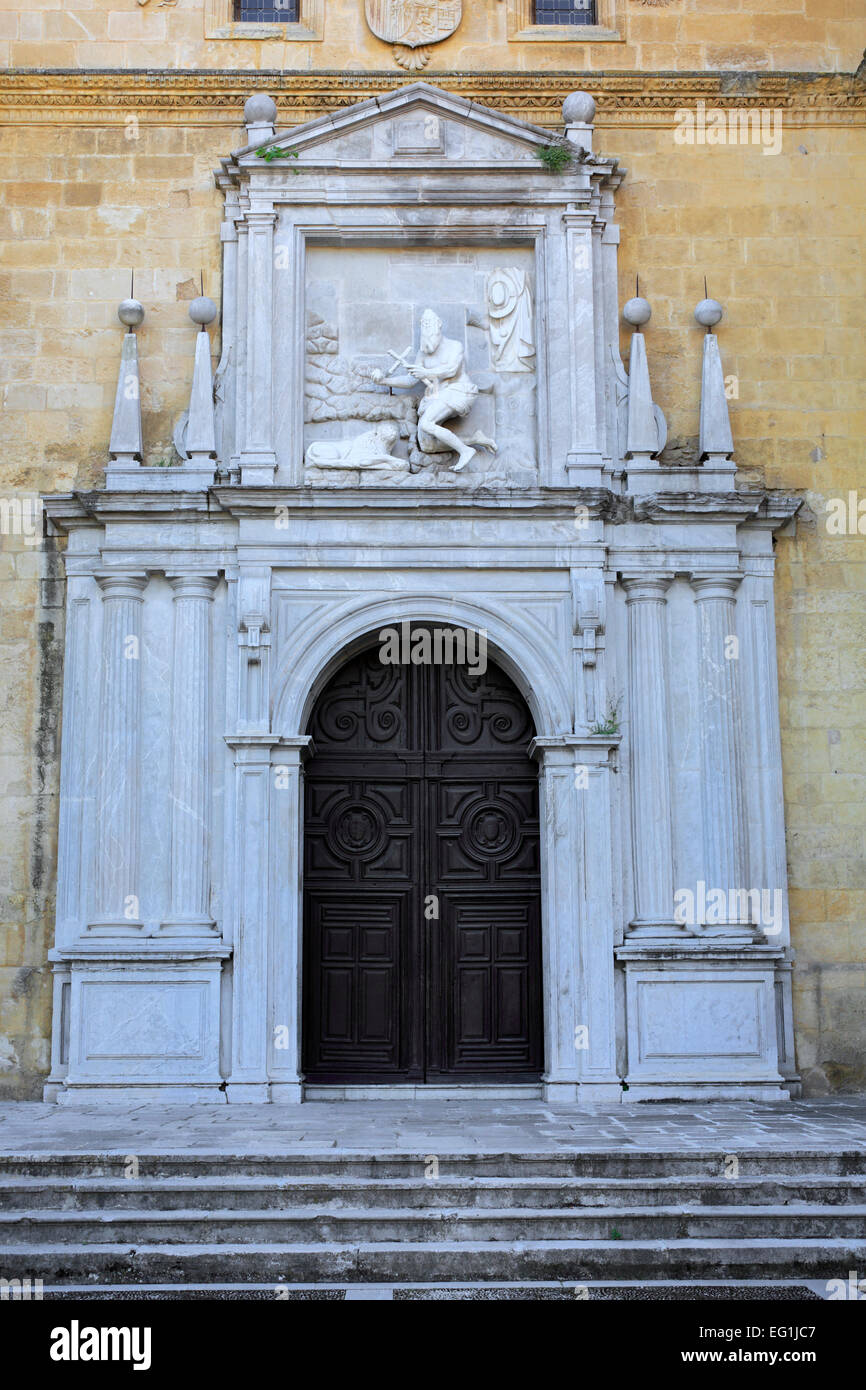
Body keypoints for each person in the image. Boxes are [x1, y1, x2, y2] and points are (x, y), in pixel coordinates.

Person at [371, 309, 496, 472]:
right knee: (427, 445)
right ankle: (474, 439)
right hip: (437, 396)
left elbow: (451, 370)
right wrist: (384, 380)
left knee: (426, 423)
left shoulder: (454, 346)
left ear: (439, 325)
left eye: (429, 325)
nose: (427, 330)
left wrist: (427, 373)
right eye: (424, 326)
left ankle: (465, 451)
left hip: (459, 391)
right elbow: (410, 380)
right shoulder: (422, 354)